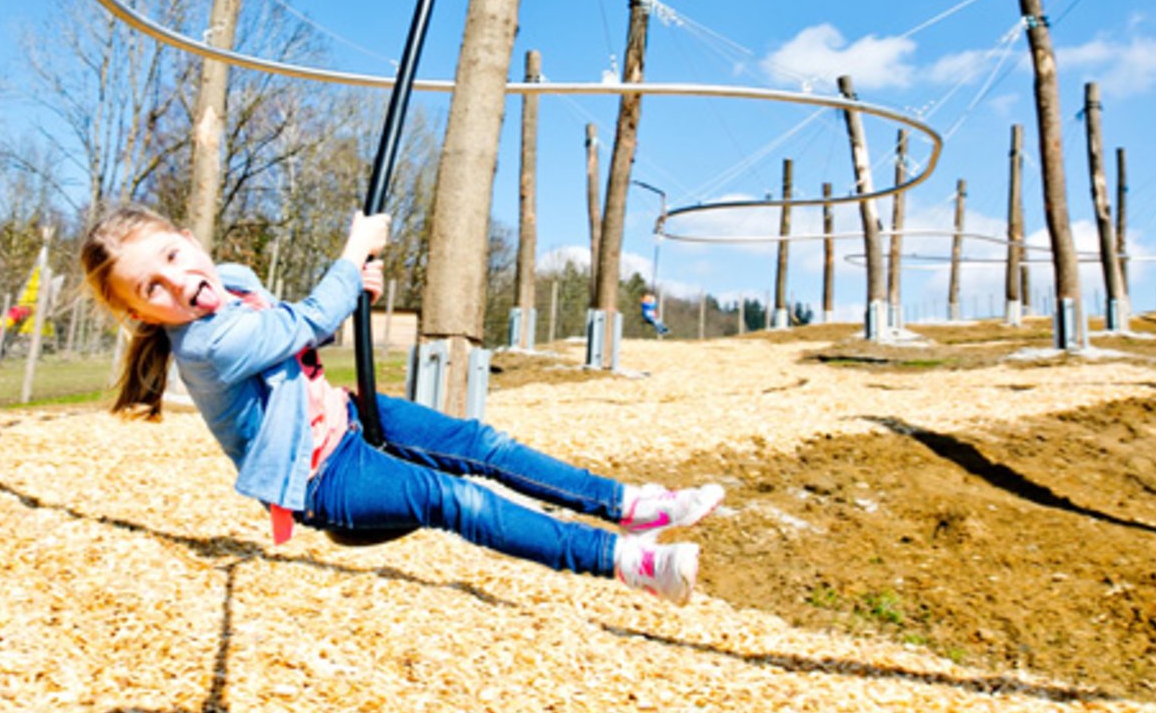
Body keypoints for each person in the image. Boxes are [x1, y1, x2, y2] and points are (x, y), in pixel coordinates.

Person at [80, 205, 724, 605]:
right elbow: (296, 325)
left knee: (481, 445)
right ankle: (631, 564)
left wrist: (351, 289)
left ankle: (630, 506)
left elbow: (297, 338)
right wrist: (350, 254)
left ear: (190, 239)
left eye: (171, 256)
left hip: (348, 416)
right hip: (320, 477)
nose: (176, 282)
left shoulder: (236, 280)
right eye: (151, 289)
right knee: (456, 498)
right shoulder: (203, 344)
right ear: (140, 313)